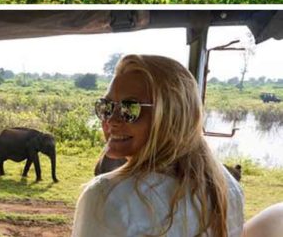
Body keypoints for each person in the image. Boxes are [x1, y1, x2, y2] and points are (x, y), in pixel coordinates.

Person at [72, 54, 244, 236]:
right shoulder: (226, 187)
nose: (111, 120)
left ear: (171, 116)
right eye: (106, 106)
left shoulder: (106, 197)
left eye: (130, 108)